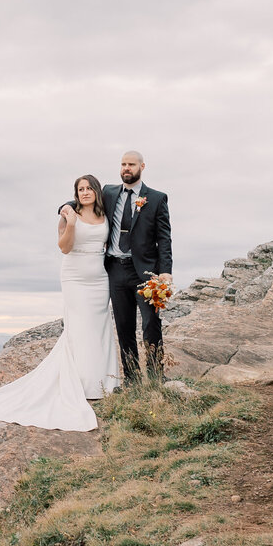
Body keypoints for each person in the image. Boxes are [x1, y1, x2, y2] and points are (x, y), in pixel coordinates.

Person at [0, 175, 121, 432]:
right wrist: (71, 223)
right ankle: (81, 384)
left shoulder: (105, 214)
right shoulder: (68, 214)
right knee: (80, 328)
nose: (85, 192)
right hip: (75, 277)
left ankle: (103, 382)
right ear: (75, 194)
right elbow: (63, 247)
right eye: (80, 189)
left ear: (96, 191)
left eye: (88, 188)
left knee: (100, 327)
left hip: (99, 278)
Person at [101, 151, 172, 383]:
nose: (126, 168)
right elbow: (85, 200)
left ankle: (155, 376)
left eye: (131, 164)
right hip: (116, 269)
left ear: (142, 166)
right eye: (123, 164)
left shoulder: (157, 198)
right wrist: (67, 206)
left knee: (151, 324)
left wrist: (165, 270)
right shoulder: (109, 193)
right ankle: (132, 379)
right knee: (124, 326)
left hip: (146, 272)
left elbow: (164, 238)